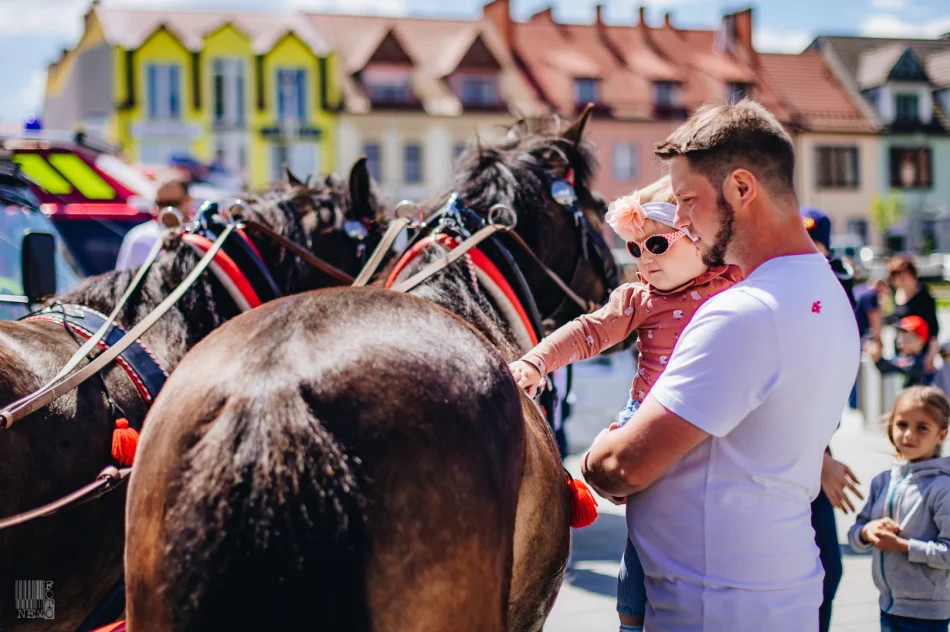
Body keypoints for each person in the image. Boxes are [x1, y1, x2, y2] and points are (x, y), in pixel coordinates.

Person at [580, 99, 860, 632]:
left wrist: (596, 456)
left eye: (686, 199)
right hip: (777, 594)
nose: (679, 220)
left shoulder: (743, 312)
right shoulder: (825, 291)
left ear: (741, 188)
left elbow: (622, 467)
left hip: (712, 607)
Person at [509, 175, 741, 632]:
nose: (644, 260)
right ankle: (632, 622)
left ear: (701, 241)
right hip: (650, 421)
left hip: (716, 419)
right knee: (646, 535)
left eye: (656, 243)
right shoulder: (639, 298)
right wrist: (536, 362)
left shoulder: (735, 285)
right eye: (635, 249)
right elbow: (587, 331)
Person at [799, 205, 864, 632]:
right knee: (815, 571)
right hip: (799, 451)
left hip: (814, 443)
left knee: (826, 571)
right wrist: (817, 457)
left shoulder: (833, 289)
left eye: (815, 245)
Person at [849, 386, 950, 632]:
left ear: (941, 434)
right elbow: (855, 534)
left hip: (927, 614)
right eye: (902, 424)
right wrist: (867, 532)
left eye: (922, 427)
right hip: (888, 606)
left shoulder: (943, 487)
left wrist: (902, 546)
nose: (908, 435)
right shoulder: (883, 481)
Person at [115, 175, 194, 271]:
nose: (165, 209)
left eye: (172, 203)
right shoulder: (140, 238)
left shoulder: (200, 237)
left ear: (189, 201)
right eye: (160, 203)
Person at [889, 255, 940, 372]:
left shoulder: (924, 297)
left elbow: (934, 330)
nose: (899, 280)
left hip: (920, 352)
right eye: (895, 277)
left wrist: (930, 356)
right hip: (901, 350)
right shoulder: (896, 295)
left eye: (903, 276)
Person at [867, 315, 935, 389]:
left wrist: (878, 359)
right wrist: (877, 358)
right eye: (900, 332)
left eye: (905, 333)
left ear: (919, 340)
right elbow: (885, 367)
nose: (901, 336)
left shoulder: (921, 360)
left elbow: (891, 366)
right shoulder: (904, 356)